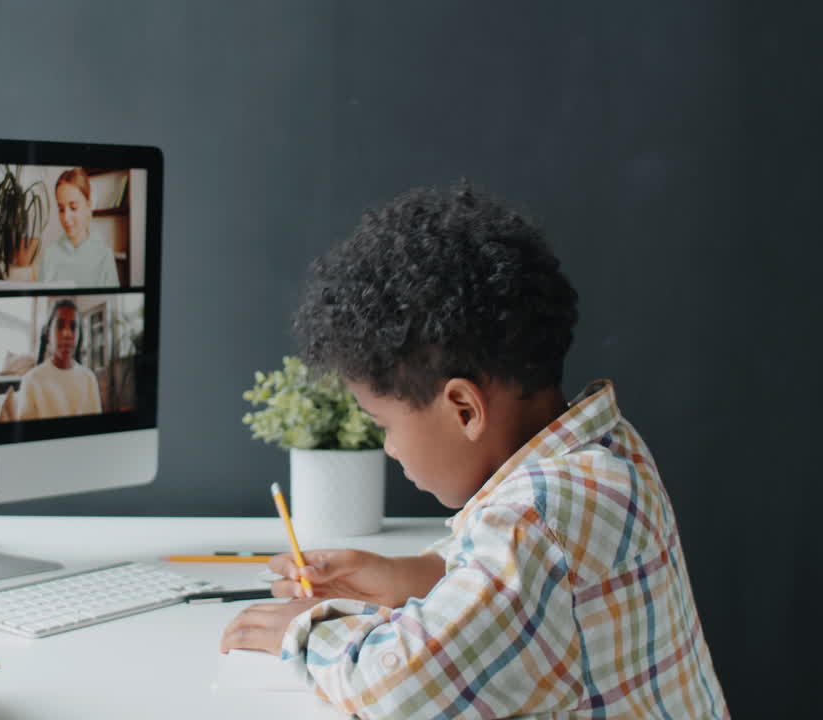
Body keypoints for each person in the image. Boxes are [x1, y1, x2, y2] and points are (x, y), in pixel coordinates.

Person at [220, 181, 728, 718]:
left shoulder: (534, 519)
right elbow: (523, 588)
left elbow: (404, 689)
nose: (389, 448)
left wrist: (306, 632)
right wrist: (407, 578)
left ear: (464, 409)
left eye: (384, 424)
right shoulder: (605, 451)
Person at [16, 298, 103, 419]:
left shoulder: (89, 378)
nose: (67, 333)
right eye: (60, 326)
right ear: (48, 333)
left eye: (73, 327)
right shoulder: (31, 380)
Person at [37, 168, 120, 287]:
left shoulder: (104, 256)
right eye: (61, 209)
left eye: (73, 207)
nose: (66, 217)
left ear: (89, 206)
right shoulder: (49, 254)